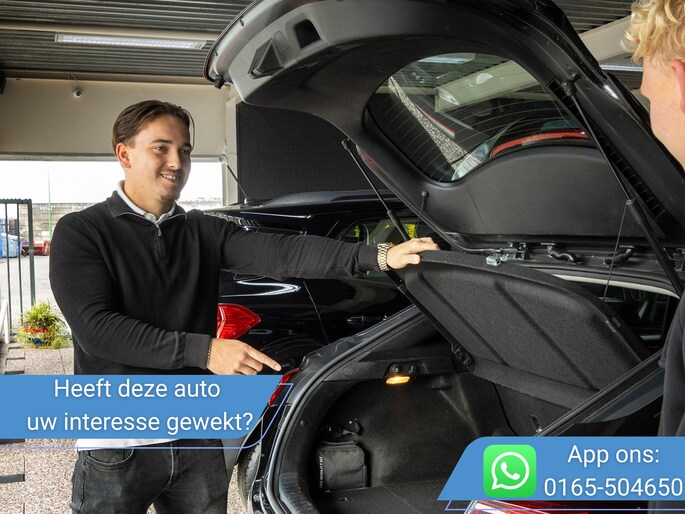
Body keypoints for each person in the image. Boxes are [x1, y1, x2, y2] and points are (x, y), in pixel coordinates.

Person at [49, 99, 438, 513]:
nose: (176, 162)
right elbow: (97, 329)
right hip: (118, 442)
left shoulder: (202, 230)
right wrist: (206, 351)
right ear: (124, 154)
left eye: (184, 150)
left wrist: (379, 255)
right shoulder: (82, 231)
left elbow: (284, 252)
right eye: (161, 148)